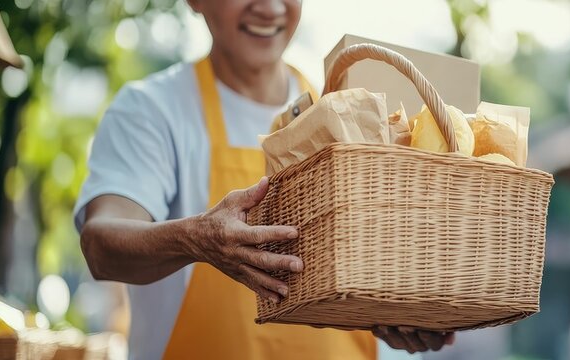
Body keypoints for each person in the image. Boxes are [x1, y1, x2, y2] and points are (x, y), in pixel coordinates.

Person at [74, 0, 453, 359]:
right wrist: (196, 239)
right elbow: (101, 245)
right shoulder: (152, 111)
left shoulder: (347, 109)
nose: (269, 7)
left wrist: (400, 312)